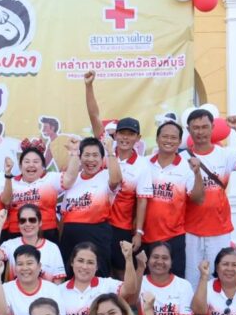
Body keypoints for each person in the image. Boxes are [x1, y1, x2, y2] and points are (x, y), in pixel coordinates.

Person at [83, 72, 153, 277]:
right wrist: (88, 86)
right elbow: (94, 116)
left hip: (120, 227)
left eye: (131, 134)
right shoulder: (105, 147)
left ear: (138, 138)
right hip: (96, 222)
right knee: (97, 272)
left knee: (122, 274)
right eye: (122, 133)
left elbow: (142, 201)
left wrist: (138, 232)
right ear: (116, 134)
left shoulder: (142, 165)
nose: (125, 138)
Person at [181, 110, 236, 290]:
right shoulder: (182, 158)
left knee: (218, 278)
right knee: (192, 280)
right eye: (196, 128)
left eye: (205, 127)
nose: (200, 132)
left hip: (219, 229)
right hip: (190, 229)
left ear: (213, 128)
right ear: (188, 130)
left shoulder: (225, 154)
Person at [142, 116, 205, 277]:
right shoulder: (144, 163)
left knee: (174, 281)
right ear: (157, 139)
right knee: (145, 282)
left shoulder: (187, 167)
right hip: (145, 236)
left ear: (179, 142)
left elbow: (198, 199)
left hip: (174, 237)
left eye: (173, 137)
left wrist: (197, 173)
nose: (168, 141)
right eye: (165, 136)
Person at [58, 135, 121, 277]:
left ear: (102, 158)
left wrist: (110, 151)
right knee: (69, 277)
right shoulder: (72, 178)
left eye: (95, 155)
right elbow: (64, 214)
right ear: (80, 157)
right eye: (86, 155)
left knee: (98, 278)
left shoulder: (106, 176)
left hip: (97, 235)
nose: (91, 160)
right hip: (70, 237)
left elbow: (116, 180)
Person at [61, 241, 139, 315]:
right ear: (72, 262)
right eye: (80, 261)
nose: (84, 266)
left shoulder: (106, 285)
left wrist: (128, 259)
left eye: (90, 262)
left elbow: (130, 289)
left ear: (97, 266)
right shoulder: (58, 291)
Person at [0, 139, 73, 243]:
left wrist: (75, 154)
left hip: (47, 232)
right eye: (27, 161)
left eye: (36, 161)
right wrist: (8, 174)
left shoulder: (51, 178)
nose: (31, 165)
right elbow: (6, 201)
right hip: (16, 233)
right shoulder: (11, 182)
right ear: (20, 166)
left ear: (43, 166)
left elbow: (70, 178)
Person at [0, 206, 66, 283]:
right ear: (18, 224)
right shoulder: (10, 244)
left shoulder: (52, 248)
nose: (27, 224)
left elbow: (58, 282)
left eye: (32, 220)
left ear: (40, 223)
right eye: (22, 221)